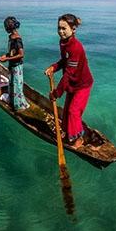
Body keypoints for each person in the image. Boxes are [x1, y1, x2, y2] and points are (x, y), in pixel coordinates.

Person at [45, 13, 93, 149]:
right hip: (73, 83)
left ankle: (79, 138)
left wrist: (56, 93)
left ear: (73, 29)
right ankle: (68, 133)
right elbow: (64, 62)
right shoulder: (63, 42)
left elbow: (68, 74)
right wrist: (53, 67)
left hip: (82, 84)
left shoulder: (75, 47)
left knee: (73, 111)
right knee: (66, 111)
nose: (60, 31)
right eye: (59, 28)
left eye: (64, 28)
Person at [0, 16, 30, 111]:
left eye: (6, 27)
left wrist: (7, 58)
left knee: (17, 85)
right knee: (12, 84)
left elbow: (21, 54)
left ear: (8, 27)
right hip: (12, 65)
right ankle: (14, 102)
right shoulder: (11, 37)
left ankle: (19, 106)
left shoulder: (17, 39)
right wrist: (6, 55)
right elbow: (13, 51)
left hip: (17, 66)